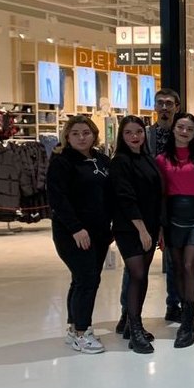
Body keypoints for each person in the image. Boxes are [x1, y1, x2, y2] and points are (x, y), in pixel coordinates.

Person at [116, 88, 182, 334]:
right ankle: (127, 312)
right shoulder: (145, 136)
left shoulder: (182, 133)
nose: (164, 107)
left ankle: (173, 304)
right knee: (135, 264)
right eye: (160, 103)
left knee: (174, 258)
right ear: (154, 107)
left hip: (174, 204)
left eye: (169, 103)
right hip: (143, 207)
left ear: (176, 106)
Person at [46, 116, 111, 354]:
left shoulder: (102, 160)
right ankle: (83, 333)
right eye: (75, 133)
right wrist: (75, 228)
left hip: (100, 231)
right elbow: (57, 199)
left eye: (86, 132)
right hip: (73, 233)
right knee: (87, 279)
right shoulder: (61, 161)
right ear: (67, 136)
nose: (81, 137)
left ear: (94, 134)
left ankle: (74, 327)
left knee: (82, 279)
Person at [157, 113, 194, 349]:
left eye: (190, 129)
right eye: (181, 127)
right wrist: (159, 224)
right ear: (173, 129)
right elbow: (160, 193)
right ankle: (187, 317)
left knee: (190, 265)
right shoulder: (161, 159)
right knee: (177, 267)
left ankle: (188, 318)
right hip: (172, 217)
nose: (184, 132)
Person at [110, 116, 163, 354]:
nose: (134, 136)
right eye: (129, 132)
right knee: (137, 274)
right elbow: (124, 197)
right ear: (122, 136)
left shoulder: (148, 159)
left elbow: (157, 195)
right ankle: (135, 328)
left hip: (149, 227)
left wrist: (157, 228)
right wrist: (141, 229)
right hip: (129, 228)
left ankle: (133, 325)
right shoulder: (120, 162)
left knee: (142, 276)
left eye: (139, 132)